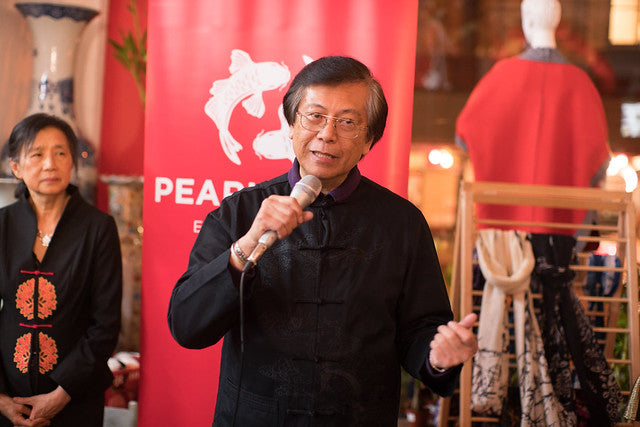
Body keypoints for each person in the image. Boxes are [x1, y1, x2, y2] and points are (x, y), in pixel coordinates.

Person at [167, 56, 477, 426]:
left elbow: (420, 331)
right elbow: (187, 325)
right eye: (314, 116)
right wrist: (246, 245)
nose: (327, 134)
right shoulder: (239, 213)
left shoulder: (402, 224)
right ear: (291, 126)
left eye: (347, 122)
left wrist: (438, 356)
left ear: (368, 141)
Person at [0, 113, 122, 426]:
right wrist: (0, 399)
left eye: (60, 153)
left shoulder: (98, 228)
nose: (50, 164)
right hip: (7, 396)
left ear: (72, 163)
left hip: (75, 398)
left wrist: (60, 395)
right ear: (15, 166)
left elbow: (105, 324)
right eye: (37, 154)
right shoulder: (2, 225)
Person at [455, 0, 611, 235]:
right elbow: (598, 160)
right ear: (557, 24)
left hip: (503, 240)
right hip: (562, 237)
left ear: (527, 22)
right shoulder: (582, 85)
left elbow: (464, 136)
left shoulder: (498, 78)